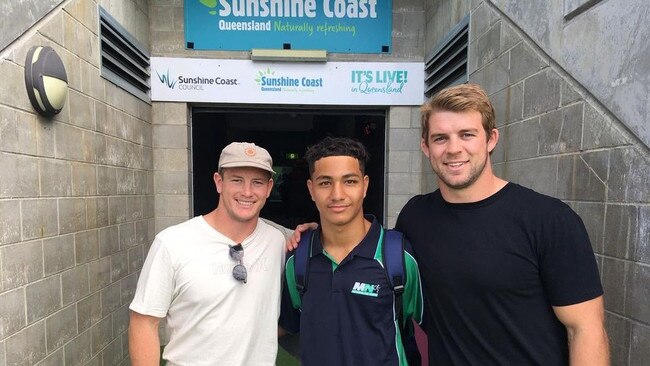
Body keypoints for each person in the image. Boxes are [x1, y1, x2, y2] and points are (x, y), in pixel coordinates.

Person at [290, 84, 609, 365]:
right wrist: (323, 232)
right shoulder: (415, 217)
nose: (454, 149)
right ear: (426, 146)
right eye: (441, 138)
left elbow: (585, 329)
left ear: (491, 139)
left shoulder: (549, 220)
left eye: (467, 134)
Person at [128, 142, 286, 366]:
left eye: (257, 182)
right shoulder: (173, 242)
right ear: (219, 182)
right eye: (237, 179)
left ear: (269, 188)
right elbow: (143, 322)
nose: (247, 192)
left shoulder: (278, 240)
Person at [280, 136, 424, 365]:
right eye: (325, 182)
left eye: (349, 181)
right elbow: (286, 325)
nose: (337, 194)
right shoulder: (298, 259)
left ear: (365, 185)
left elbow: (433, 330)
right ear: (311, 189)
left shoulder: (398, 256)